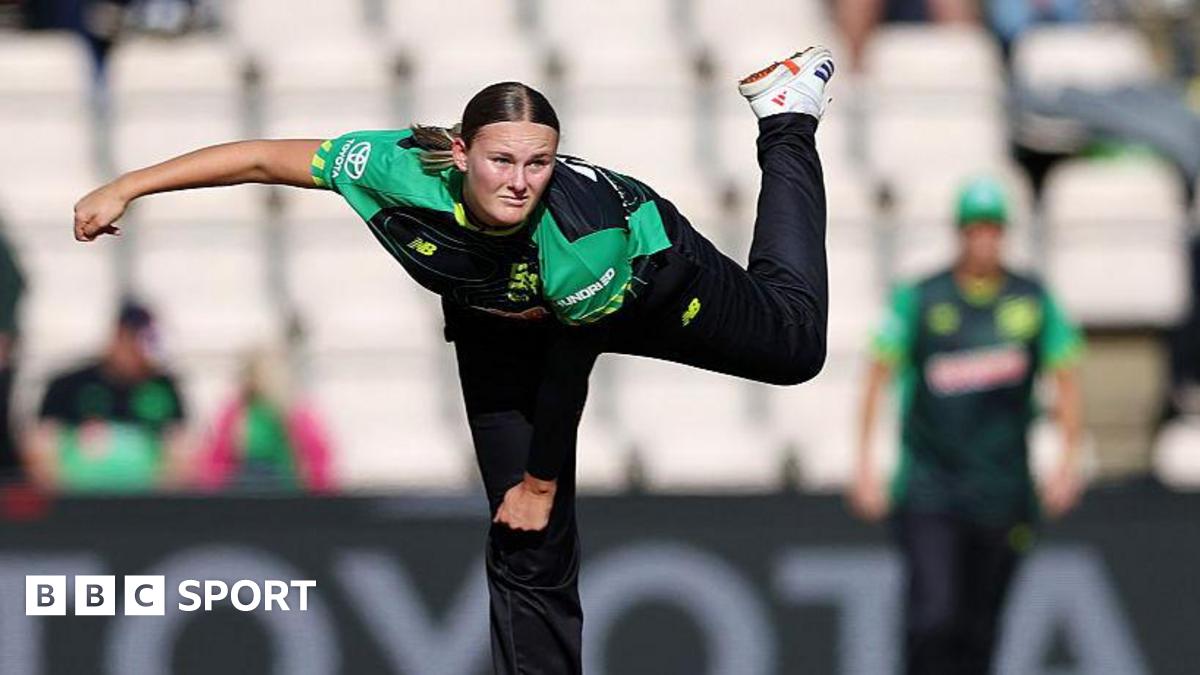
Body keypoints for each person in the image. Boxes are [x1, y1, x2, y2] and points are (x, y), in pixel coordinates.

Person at [73, 46, 835, 673]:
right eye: (502, 160)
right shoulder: (397, 166)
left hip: (644, 282)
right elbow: (267, 160)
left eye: (539, 163)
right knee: (523, 536)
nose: (520, 181)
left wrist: (541, 481)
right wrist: (129, 186)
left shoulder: (582, 233)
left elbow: (571, 363)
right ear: (461, 150)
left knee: (795, 346)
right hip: (497, 318)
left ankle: (786, 119)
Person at [848, 176, 1086, 675]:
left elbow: (1065, 379)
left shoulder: (1031, 300)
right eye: (975, 229)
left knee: (980, 627)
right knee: (933, 616)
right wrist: (865, 465)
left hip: (1003, 488)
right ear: (960, 234)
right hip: (931, 485)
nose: (985, 240)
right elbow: (877, 375)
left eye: (993, 229)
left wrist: (1068, 462)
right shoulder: (923, 298)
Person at [25, 300, 190, 493]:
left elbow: (180, 448)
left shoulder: (164, 387)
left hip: (145, 504)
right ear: (119, 336)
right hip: (77, 502)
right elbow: (41, 444)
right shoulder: (68, 384)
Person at [195, 349, 334, 493]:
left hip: (286, 492)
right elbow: (217, 461)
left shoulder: (295, 413)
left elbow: (317, 461)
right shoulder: (235, 413)